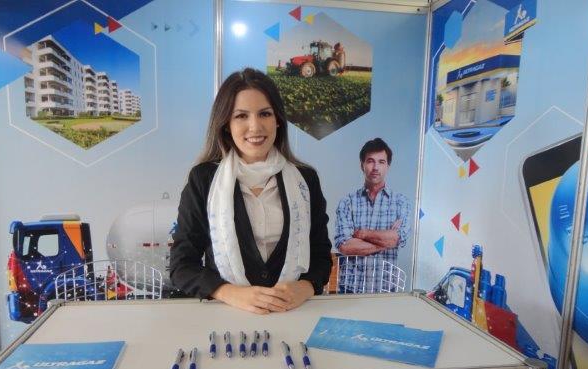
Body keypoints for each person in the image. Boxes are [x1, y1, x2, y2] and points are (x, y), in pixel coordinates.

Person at [169, 68, 332, 314]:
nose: (255, 127)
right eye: (241, 116)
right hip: (228, 315)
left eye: (265, 114)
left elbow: (320, 255)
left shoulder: (305, 180)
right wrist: (229, 292)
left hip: (293, 313)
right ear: (226, 124)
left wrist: (306, 287)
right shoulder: (203, 179)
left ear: (278, 120)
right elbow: (182, 266)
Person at [334, 138, 411, 293]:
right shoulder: (347, 203)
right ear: (362, 165)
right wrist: (386, 241)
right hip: (350, 289)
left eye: (381, 162)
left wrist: (363, 234)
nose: (375, 167)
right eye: (370, 161)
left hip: (385, 290)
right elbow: (345, 246)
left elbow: (397, 238)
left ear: (388, 166)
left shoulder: (401, 202)